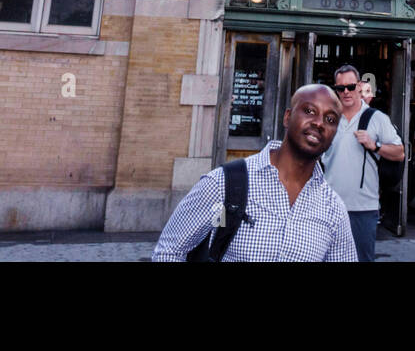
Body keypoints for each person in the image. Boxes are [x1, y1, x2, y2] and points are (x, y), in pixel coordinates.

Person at [152, 84, 357, 261]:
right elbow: (170, 252)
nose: (319, 123)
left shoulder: (333, 210)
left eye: (330, 120)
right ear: (287, 117)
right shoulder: (224, 186)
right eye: (309, 111)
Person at [321, 64, 404, 262]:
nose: (346, 92)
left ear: (359, 86)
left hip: (362, 207)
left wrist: (374, 145)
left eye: (350, 86)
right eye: (340, 88)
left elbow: (400, 153)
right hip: (328, 206)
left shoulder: (376, 119)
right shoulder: (328, 118)